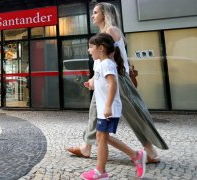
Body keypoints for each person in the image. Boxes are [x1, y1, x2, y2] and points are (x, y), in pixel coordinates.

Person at [66, 2, 168, 166]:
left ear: (104, 14)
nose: (93, 15)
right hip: (107, 79)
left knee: (134, 116)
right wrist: (94, 78)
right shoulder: (105, 32)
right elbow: (104, 60)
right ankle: (86, 147)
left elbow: (110, 59)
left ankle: (150, 152)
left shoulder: (111, 31)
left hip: (116, 79)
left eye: (95, 12)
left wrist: (96, 78)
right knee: (96, 112)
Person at [81, 33, 146, 179]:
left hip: (108, 108)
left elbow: (113, 84)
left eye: (91, 47)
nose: (89, 50)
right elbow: (101, 81)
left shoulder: (108, 64)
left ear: (101, 48)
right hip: (103, 107)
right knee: (103, 137)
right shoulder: (100, 63)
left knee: (101, 137)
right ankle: (135, 155)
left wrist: (108, 106)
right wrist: (91, 83)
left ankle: (101, 172)